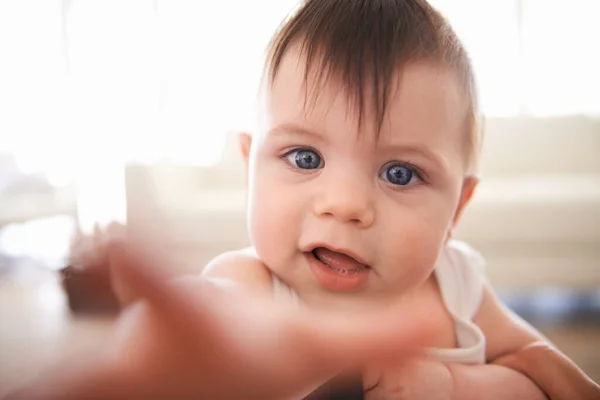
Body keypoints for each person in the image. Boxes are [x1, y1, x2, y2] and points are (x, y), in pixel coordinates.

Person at [8, 0, 599, 399]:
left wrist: (455, 386)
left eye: (399, 173)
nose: (344, 205)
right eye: (305, 158)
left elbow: (545, 370)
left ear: (457, 212)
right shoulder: (251, 288)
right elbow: (208, 329)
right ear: (250, 168)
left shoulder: (457, 283)